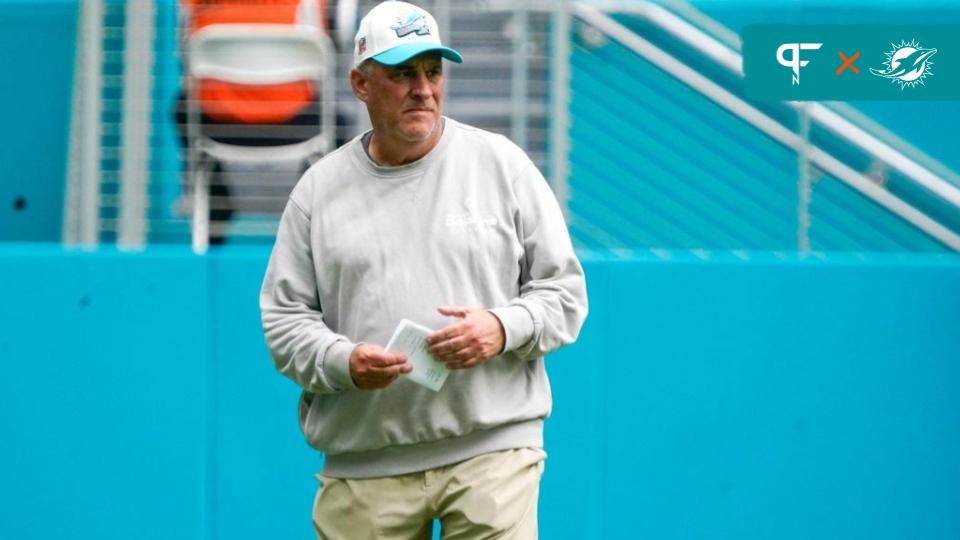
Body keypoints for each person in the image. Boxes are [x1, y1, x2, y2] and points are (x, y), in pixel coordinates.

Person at [259, 1, 588, 538]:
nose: (424, 89)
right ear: (360, 85)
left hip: (493, 450)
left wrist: (502, 328)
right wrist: (344, 361)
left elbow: (565, 294)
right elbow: (284, 322)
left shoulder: (501, 164)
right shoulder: (317, 191)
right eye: (403, 74)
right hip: (364, 460)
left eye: (433, 71)